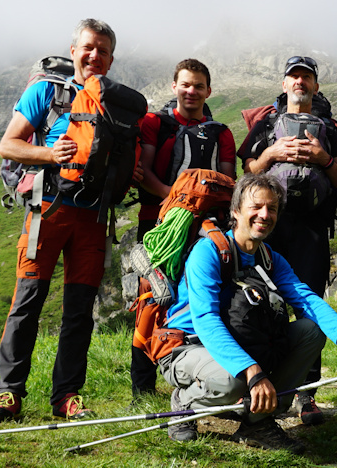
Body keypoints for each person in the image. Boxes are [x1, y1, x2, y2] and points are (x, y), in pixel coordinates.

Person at [158, 172, 337, 453]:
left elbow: (306, 299)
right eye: (256, 207)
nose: (265, 214)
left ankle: (258, 422)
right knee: (234, 378)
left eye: (272, 208)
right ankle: (184, 403)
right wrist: (252, 371)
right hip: (186, 346)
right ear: (236, 211)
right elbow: (206, 320)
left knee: (309, 332)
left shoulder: (269, 258)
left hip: (237, 342)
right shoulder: (209, 252)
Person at [0, 19, 117, 421]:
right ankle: (7, 392)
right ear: (75, 50)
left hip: (93, 217)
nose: (94, 56)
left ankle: (67, 396)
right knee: (27, 301)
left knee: (79, 310)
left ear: (111, 60)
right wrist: (48, 155)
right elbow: (7, 144)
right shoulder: (46, 91)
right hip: (49, 212)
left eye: (103, 51)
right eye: (88, 48)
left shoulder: (115, 103)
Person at [238, 56, 337, 425]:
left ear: (316, 86)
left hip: (312, 230)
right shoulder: (267, 124)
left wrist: (323, 157)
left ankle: (307, 395)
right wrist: (270, 154)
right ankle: (257, 381)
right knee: (257, 302)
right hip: (269, 226)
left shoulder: (330, 129)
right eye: (294, 76)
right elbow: (247, 171)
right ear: (284, 84)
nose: (299, 82)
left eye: (306, 77)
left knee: (309, 304)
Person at [130, 58, 237, 398]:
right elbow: (144, 172)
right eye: (186, 84)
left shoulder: (221, 133)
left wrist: (194, 209)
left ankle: (200, 372)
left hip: (207, 229)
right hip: (158, 223)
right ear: (174, 86)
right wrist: (177, 203)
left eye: (199, 86)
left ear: (209, 91)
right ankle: (142, 386)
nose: (192, 91)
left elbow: (228, 180)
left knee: (202, 297)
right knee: (151, 297)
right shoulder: (154, 124)